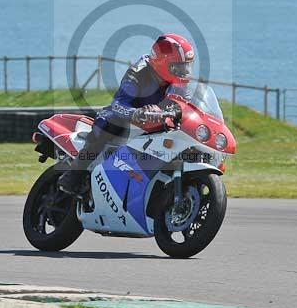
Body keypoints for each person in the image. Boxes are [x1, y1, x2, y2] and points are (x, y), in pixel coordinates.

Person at [57, 33, 195, 195]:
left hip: (156, 124)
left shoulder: (179, 82)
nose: (184, 72)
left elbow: (185, 105)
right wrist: (136, 113)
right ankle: (74, 175)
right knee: (108, 126)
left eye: (187, 67)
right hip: (127, 118)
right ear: (163, 63)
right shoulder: (138, 72)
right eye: (178, 67)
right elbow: (118, 103)